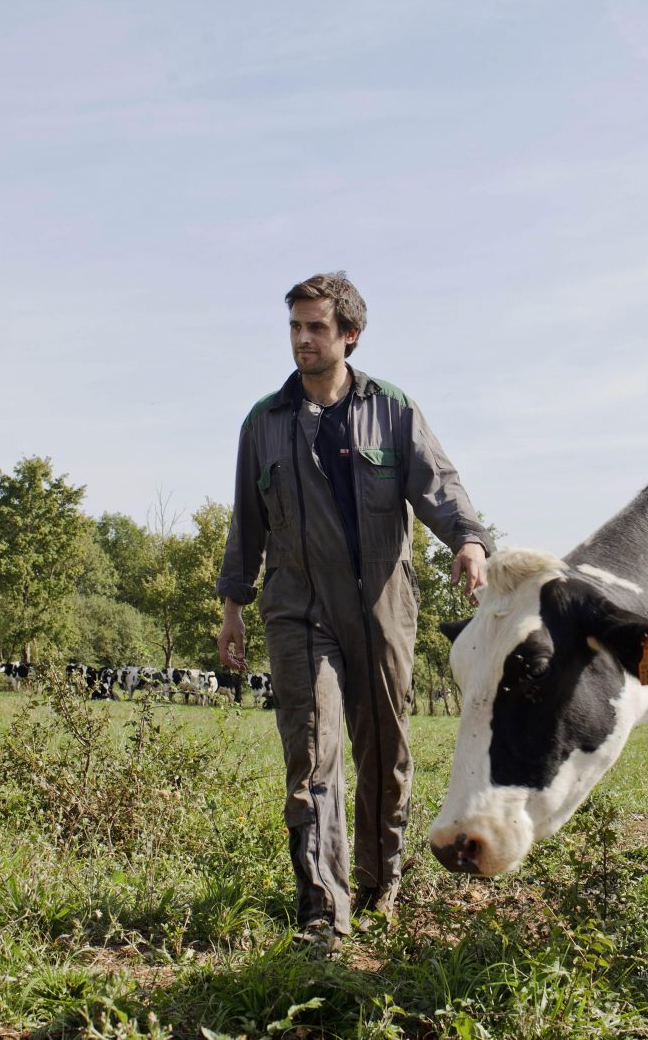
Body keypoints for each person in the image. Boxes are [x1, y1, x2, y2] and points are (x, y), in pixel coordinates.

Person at [216, 272, 493, 953]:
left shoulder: (392, 410)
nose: (302, 339)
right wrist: (232, 607)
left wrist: (469, 541)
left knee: (386, 753)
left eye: (315, 327)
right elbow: (245, 525)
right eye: (294, 327)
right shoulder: (264, 424)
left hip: (382, 609)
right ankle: (322, 910)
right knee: (313, 757)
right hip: (297, 610)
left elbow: (440, 486)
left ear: (349, 335)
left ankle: (378, 882)